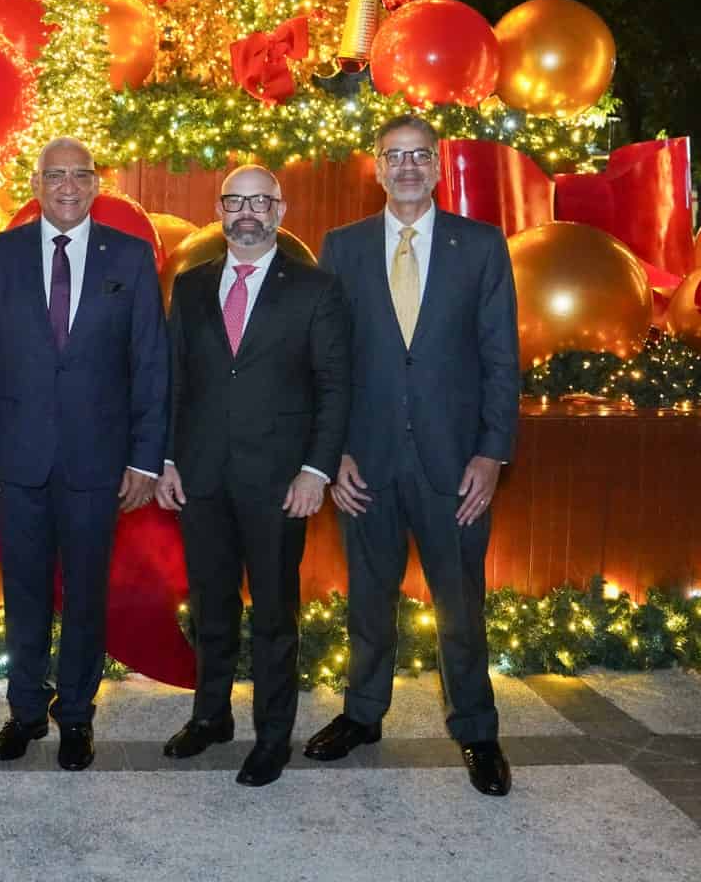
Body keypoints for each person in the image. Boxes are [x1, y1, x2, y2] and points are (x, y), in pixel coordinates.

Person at [302, 114, 521, 797]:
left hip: (453, 464)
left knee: (459, 601)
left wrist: (491, 454)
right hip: (364, 463)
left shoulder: (480, 246)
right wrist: (329, 452)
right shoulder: (341, 247)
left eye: (418, 155)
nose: (405, 167)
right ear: (375, 165)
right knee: (368, 598)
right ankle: (362, 715)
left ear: (435, 164)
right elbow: (324, 361)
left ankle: (476, 730)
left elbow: (498, 358)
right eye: (393, 156)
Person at [0, 136, 169, 771]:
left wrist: (145, 459)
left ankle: (75, 713)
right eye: (56, 176)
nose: (68, 186)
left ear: (97, 183)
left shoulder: (129, 258)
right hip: (16, 462)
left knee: (85, 596)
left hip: (98, 464)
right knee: (23, 593)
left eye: (80, 175)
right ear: (37, 183)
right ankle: (24, 710)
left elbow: (151, 367)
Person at [157, 166, 349, 786]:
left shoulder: (316, 289)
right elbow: (175, 382)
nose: (247, 212)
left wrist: (315, 471)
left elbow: (333, 389)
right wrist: (164, 460)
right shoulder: (189, 287)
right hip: (200, 476)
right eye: (235, 201)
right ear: (219, 209)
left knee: (273, 615)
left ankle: (272, 736)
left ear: (280, 210)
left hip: (278, 481)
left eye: (259, 202)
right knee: (210, 608)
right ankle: (211, 716)